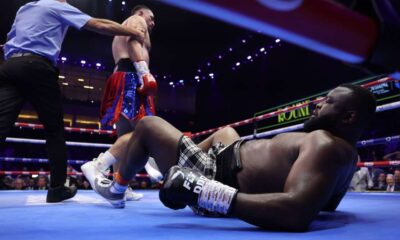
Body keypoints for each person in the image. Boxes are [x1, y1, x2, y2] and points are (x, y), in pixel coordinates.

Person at [93, 84, 376, 231]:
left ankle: (116, 189)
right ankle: (166, 160)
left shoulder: (325, 144)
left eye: (327, 102)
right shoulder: (346, 154)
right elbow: (326, 204)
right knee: (227, 131)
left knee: (147, 125)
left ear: (348, 116)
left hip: (217, 176)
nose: (318, 104)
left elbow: (297, 212)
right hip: (226, 156)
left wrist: (206, 192)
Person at [0, 0, 145, 203]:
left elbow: (7, 42)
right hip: (37, 66)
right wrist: (133, 32)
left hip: (10, 65)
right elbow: (98, 24)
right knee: (54, 131)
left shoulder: (25, 8)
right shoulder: (57, 5)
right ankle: (57, 189)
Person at [81, 5, 162, 201]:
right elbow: (134, 41)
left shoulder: (125, 25)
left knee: (125, 136)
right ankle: (99, 165)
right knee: (146, 129)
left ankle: (120, 186)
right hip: (132, 75)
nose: (152, 22)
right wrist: (144, 73)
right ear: (141, 13)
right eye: (151, 17)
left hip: (122, 75)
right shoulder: (137, 20)